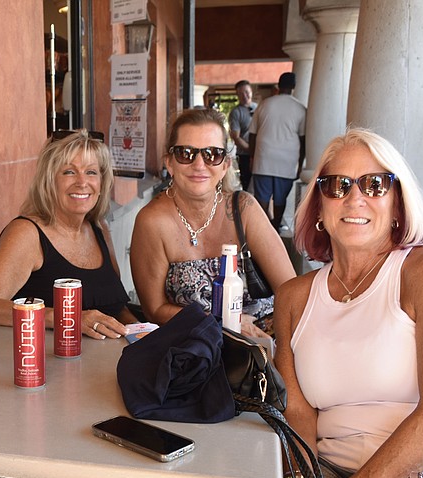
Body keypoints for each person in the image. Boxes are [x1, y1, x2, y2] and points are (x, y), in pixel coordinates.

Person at [190, 128, 423, 478]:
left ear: (397, 204)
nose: (355, 198)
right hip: (325, 477)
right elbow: (298, 413)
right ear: (318, 207)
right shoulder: (295, 296)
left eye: (375, 184)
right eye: (337, 185)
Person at [130, 108, 295, 337]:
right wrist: (225, 324)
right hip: (196, 349)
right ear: (170, 163)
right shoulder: (152, 221)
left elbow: (291, 291)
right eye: (186, 153)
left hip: (264, 341)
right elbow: (154, 309)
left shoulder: (244, 209)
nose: (199, 164)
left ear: (225, 165)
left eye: (212, 154)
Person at [0, 129, 138, 338]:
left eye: (91, 172)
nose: (82, 182)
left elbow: (115, 307)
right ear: (49, 181)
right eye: (69, 172)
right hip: (49, 362)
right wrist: (66, 317)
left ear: (101, 183)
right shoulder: (27, 234)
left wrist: (140, 330)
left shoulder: (98, 228)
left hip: (110, 360)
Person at [249, 72, 306, 231]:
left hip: (263, 157)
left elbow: (253, 134)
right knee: (280, 198)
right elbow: (303, 140)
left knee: (262, 197)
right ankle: (275, 229)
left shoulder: (265, 104)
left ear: (278, 85)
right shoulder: (300, 108)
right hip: (287, 160)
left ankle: (264, 228)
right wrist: (300, 164)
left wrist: (253, 157)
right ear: (294, 86)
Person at [229, 80, 257, 192]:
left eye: (247, 92)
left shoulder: (259, 108)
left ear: (251, 91)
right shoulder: (236, 112)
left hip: (261, 154)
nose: (245, 96)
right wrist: (250, 151)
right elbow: (236, 137)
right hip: (245, 155)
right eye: (241, 93)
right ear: (237, 95)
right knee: (247, 185)